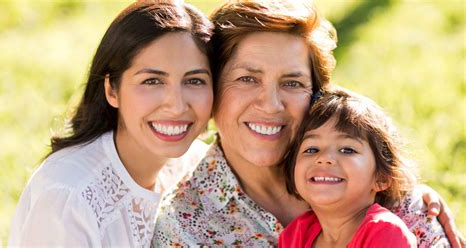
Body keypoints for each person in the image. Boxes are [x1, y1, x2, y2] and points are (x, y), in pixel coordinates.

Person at [152, 0, 462, 247]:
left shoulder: (376, 181)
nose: (271, 104)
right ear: (211, 89)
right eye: (247, 79)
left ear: (316, 94)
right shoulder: (185, 228)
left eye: (292, 83)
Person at [8, 1, 214, 247]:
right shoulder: (68, 196)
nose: (177, 106)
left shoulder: (202, 168)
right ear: (112, 90)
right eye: (152, 81)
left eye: (194, 81)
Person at [279, 88, 425, 247]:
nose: (323, 158)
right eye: (311, 149)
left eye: (347, 150)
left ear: (381, 177)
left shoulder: (384, 231)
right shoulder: (295, 234)